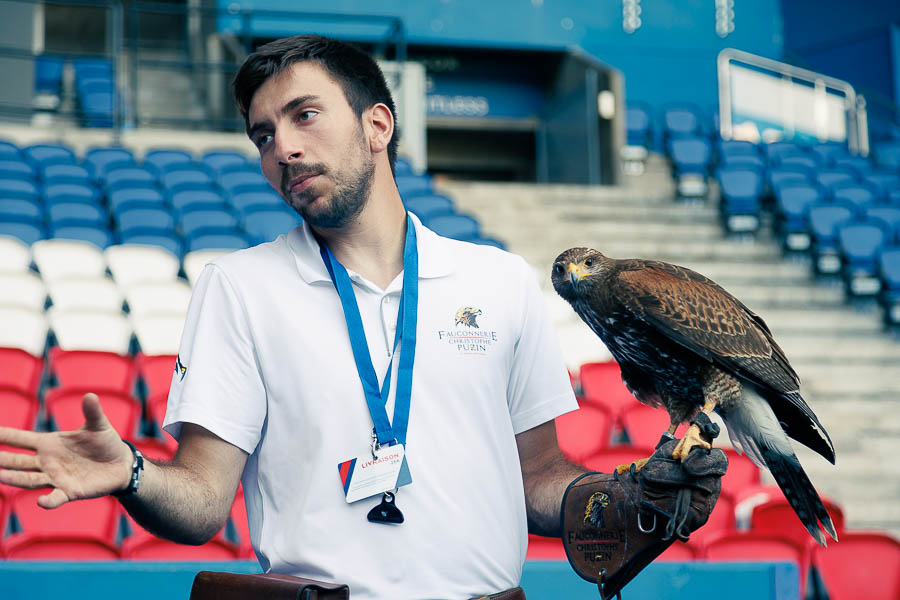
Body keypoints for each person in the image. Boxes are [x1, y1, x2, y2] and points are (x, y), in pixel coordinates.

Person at [0, 35, 724, 600]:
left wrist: (625, 499)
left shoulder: (500, 280)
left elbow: (537, 477)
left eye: (304, 115)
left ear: (377, 125)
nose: (282, 147)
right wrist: (131, 473)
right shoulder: (237, 287)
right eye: (262, 135)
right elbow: (201, 500)